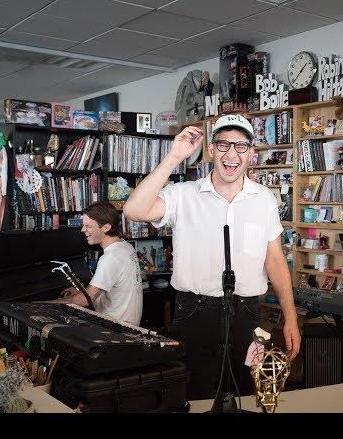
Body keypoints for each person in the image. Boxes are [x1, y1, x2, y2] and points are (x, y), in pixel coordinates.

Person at [123, 114, 301, 400]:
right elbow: (133, 210)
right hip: (194, 313)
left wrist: (290, 318)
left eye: (241, 146)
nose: (232, 154)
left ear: (251, 154)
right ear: (211, 150)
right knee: (194, 395)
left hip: (248, 316)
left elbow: (276, 262)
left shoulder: (265, 199)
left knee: (248, 392)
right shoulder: (183, 194)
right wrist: (173, 157)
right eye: (223, 145)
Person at [54, 202, 143, 326]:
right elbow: (107, 288)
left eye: (88, 226)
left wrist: (47, 303)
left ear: (106, 227)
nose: (82, 230)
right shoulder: (125, 246)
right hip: (126, 322)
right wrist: (81, 290)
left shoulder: (111, 257)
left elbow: (86, 300)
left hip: (116, 329)